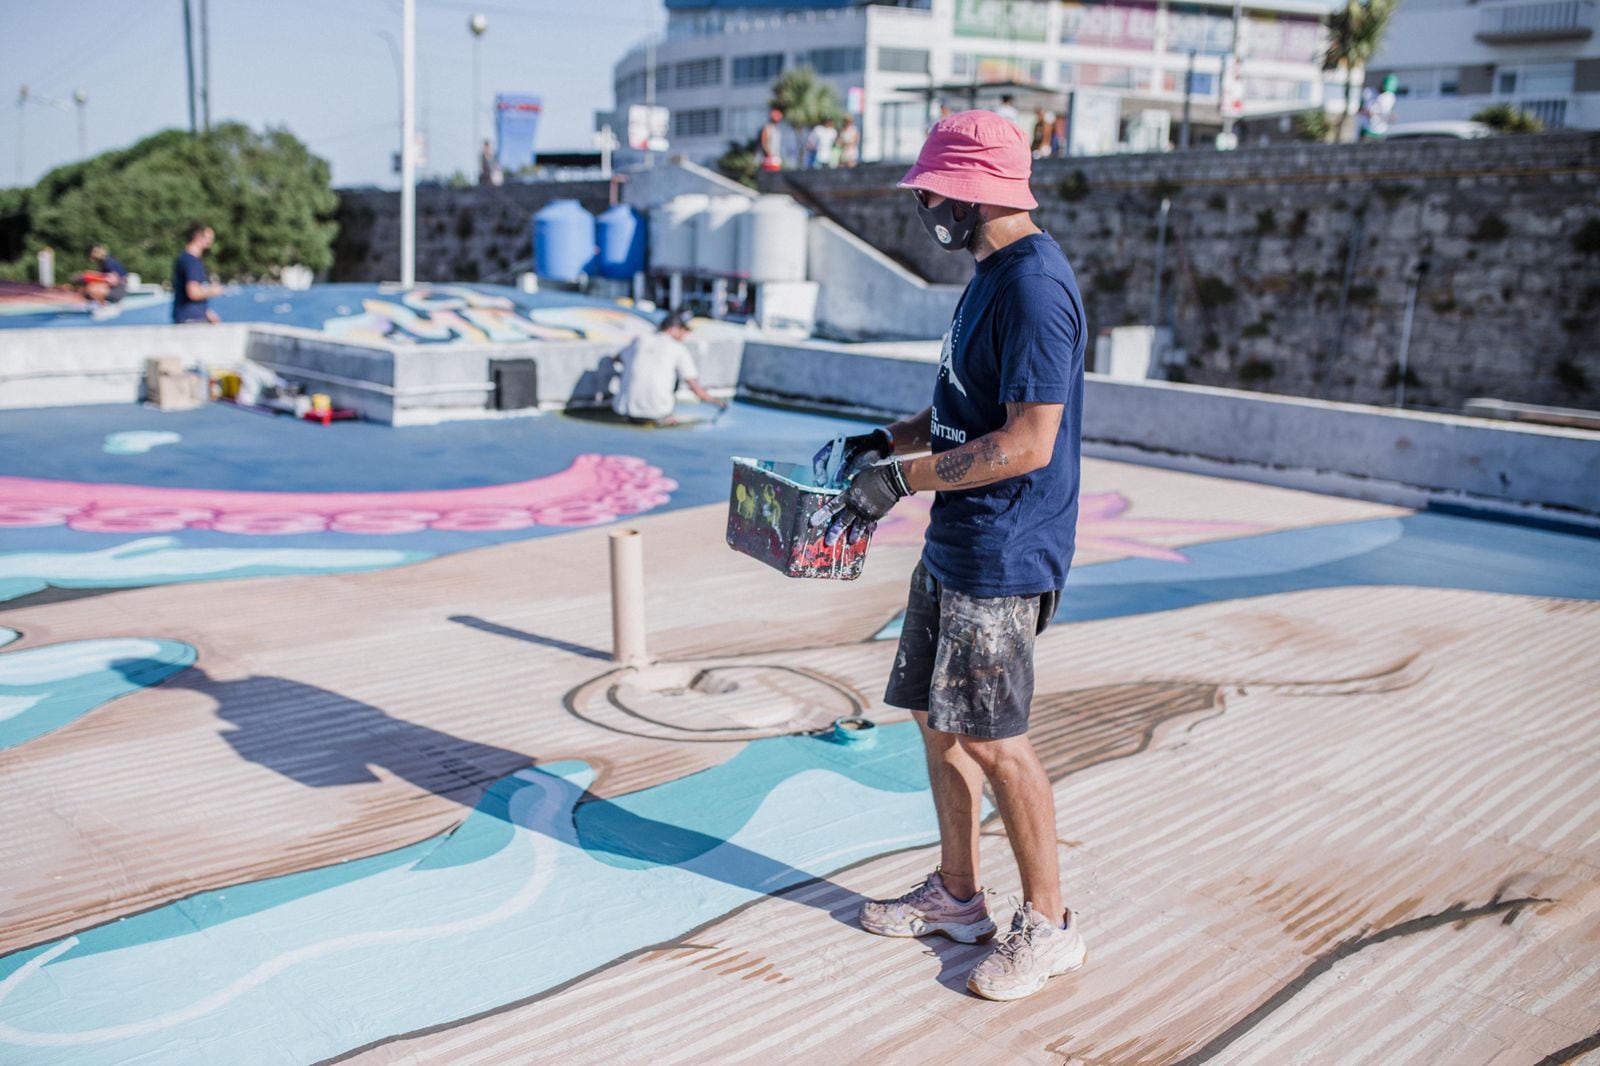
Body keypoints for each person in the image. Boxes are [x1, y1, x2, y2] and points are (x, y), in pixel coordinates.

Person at [809, 109, 1088, 1002]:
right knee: (939, 722)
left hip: (1005, 548)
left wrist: (908, 481)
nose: (923, 202)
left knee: (996, 740)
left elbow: (1029, 440)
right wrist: (883, 445)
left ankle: (1049, 927)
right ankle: (960, 898)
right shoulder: (988, 277)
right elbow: (965, 411)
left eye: (932, 188)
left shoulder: (1037, 288)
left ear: (972, 191)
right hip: (958, 541)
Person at [610, 309, 726, 424]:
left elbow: (616, 358)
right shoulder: (677, 348)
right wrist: (717, 403)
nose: (684, 335)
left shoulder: (641, 340)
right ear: (673, 329)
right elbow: (695, 388)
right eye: (683, 330)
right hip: (657, 413)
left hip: (625, 410)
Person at [172, 221, 223, 324]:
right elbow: (193, 292)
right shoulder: (191, 261)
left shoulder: (185, 258)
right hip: (191, 319)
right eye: (209, 238)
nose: (210, 242)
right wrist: (213, 290)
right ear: (198, 236)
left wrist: (207, 313)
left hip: (189, 316)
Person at [81, 242, 127, 307]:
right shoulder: (105, 262)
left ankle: (101, 307)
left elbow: (113, 280)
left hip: (118, 290)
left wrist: (90, 275)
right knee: (86, 287)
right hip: (118, 288)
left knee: (91, 288)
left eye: (96, 251)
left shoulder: (109, 262)